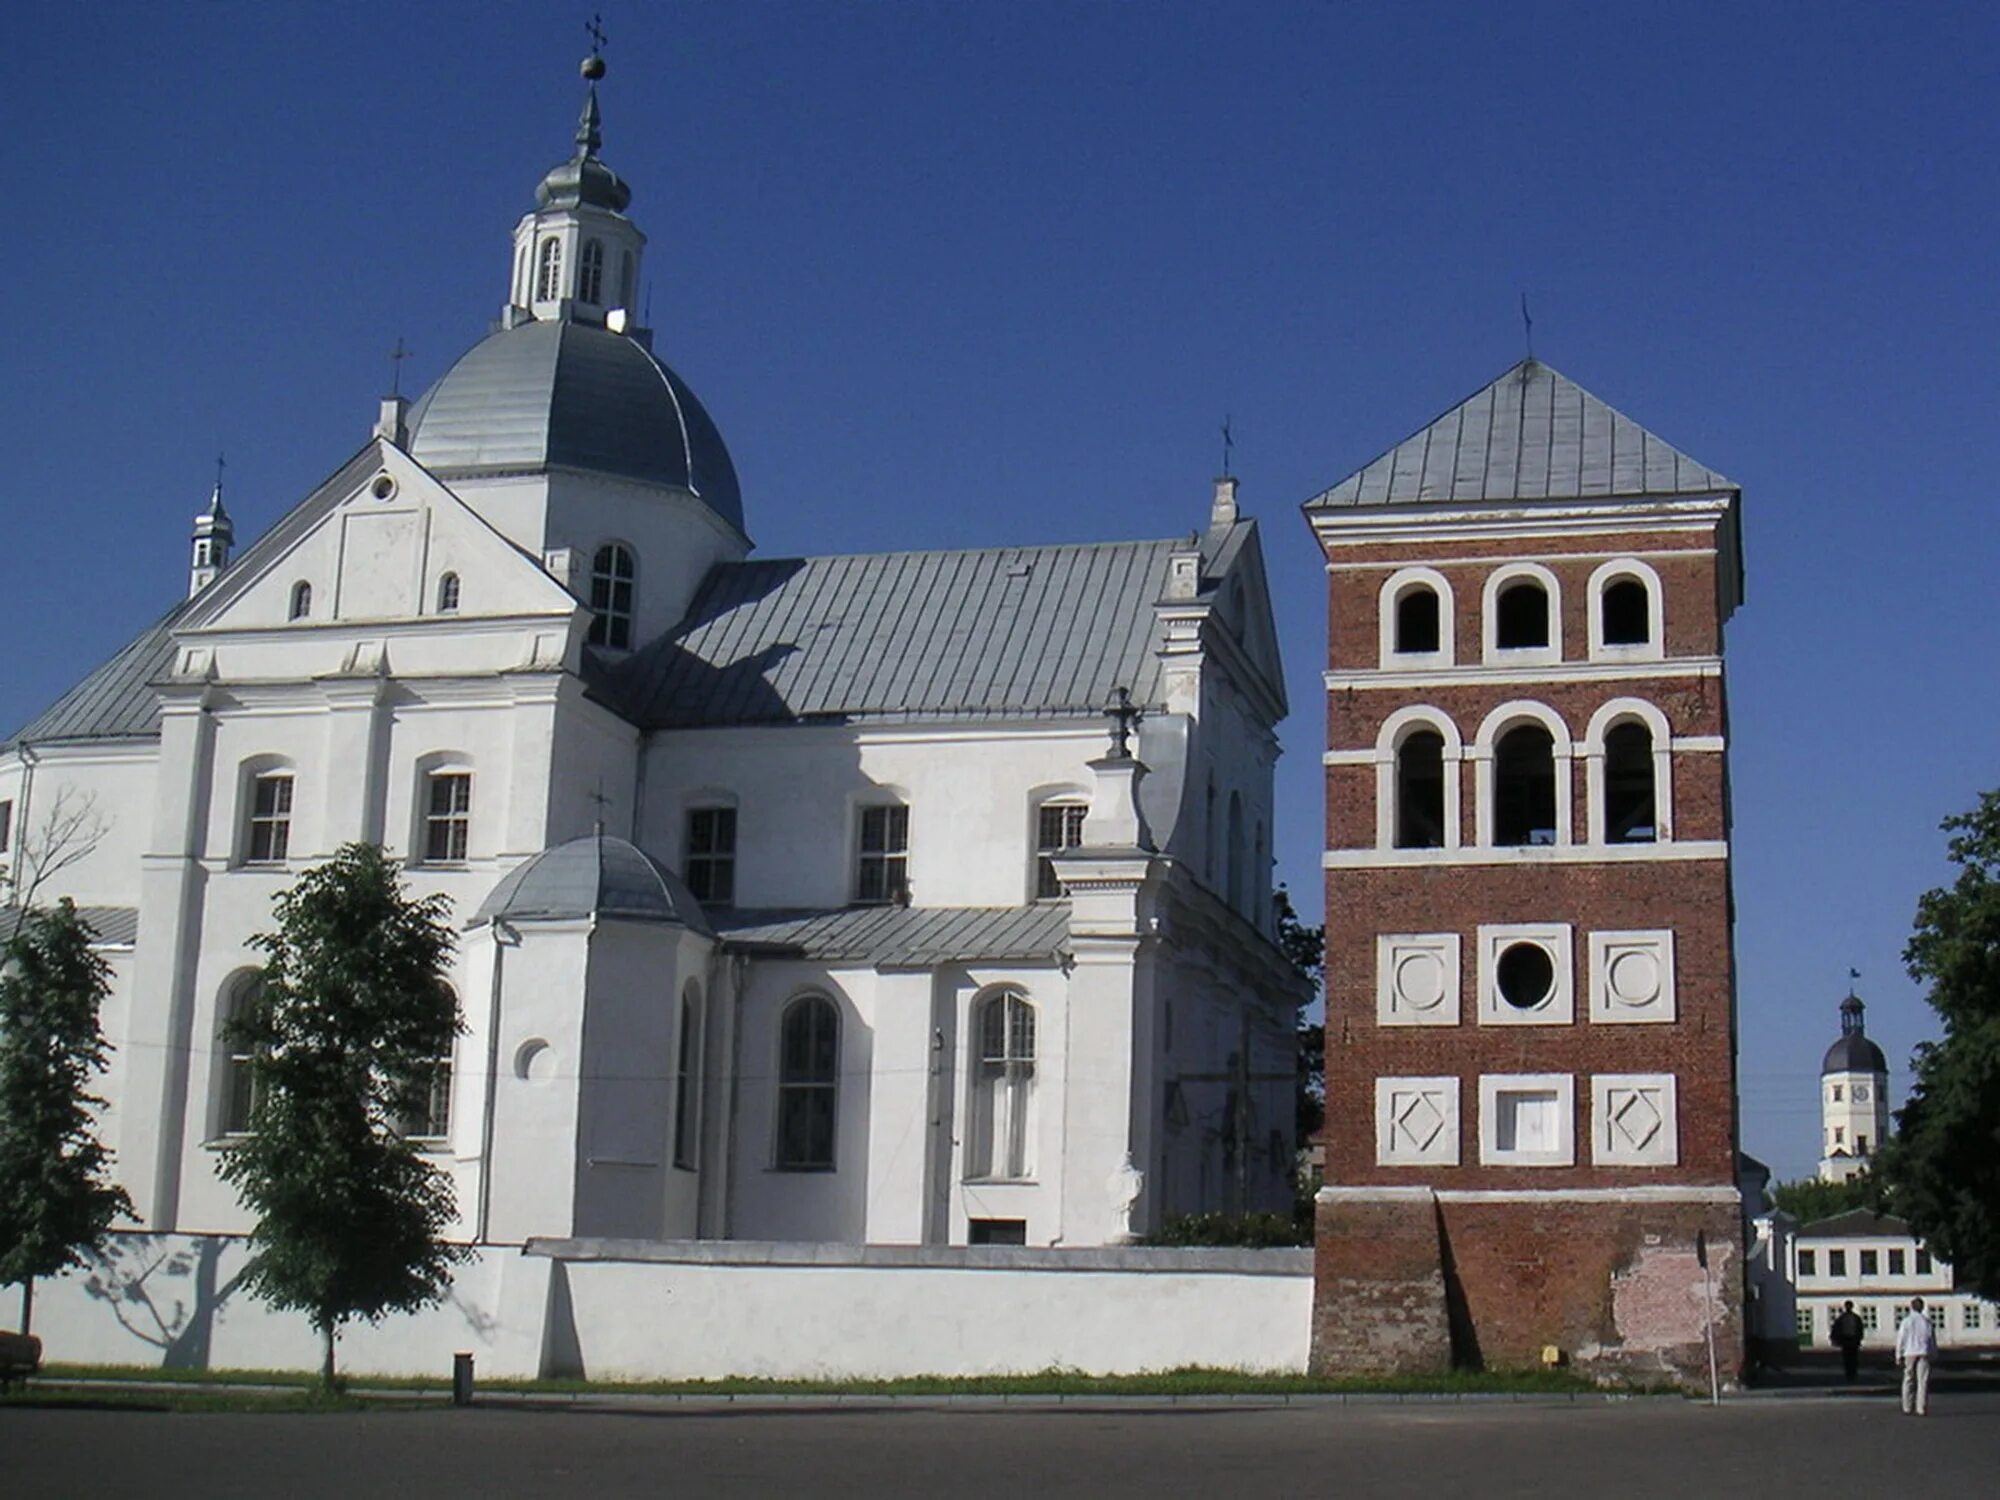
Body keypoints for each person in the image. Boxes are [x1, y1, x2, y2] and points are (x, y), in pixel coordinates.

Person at [1896, 1296, 1938, 1415]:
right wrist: (1934, 1352)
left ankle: (1907, 1406)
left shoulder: (1907, 1321)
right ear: (1922, 1307)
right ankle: (1921, 1408)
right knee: (1922, 1381)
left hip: (1909, 1352)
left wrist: (1898, 1354)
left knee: (1908, 1379)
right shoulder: (1927, 1321)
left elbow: (1901, 1338)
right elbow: (1931, 1339)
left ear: (1911, 1307)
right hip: (1923, 1351)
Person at [1831, 1300, 1865, 1382]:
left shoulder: (1854, 1318)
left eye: (1849, 1306)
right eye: (1847, 1306)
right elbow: (1836, 1328)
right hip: (1846, 1339)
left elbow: (1860, 1329)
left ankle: (1852, 1373)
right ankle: (1849, 1373)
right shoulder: (1843, 1318)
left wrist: (1859, 1339)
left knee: (1853, 1358)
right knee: (1847, 1358)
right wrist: (1835, 1339)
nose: (1848, 1308)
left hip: (1853, 1339)